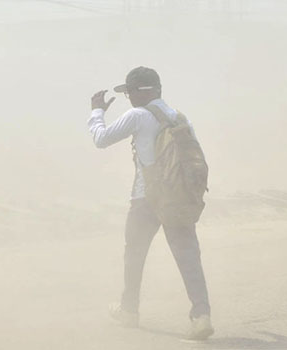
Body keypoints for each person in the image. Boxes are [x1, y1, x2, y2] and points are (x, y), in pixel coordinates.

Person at [87, 67, 213, 340]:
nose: (128, 98)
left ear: (136, 92)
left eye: (128, 92)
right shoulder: (179, 117)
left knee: (134, 254)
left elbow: (101, 139)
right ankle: (201, 315)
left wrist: (97, 112)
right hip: (178, 198)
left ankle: (130, 311)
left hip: (146, 199)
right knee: (189, 257)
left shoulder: (137, 115)